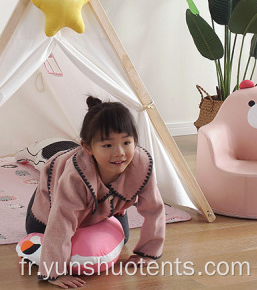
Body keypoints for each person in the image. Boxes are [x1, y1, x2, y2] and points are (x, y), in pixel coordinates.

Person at [25, 96, 166, 288]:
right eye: (107, 145)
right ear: (87, 148)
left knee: (123, 236)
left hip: (105, 208)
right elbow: (61, 220)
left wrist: (147, 253)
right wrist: (54, 272)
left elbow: (154, 210)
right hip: (50, 208)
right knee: (43, 231)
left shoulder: (142, 165)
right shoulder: (75, 176)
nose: (119, 153)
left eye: (126, 142)